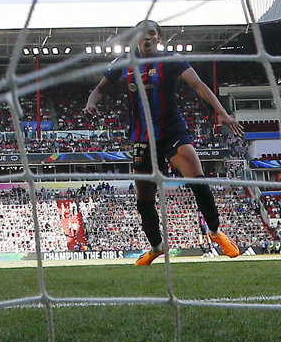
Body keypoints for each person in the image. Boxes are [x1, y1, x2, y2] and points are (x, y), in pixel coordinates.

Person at [84, 20, 243, 265]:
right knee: (144, 198)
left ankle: (215, 232)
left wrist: (220, 111)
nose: (146, 38)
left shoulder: (171, 59)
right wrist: (91, 102)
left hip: (171, 131)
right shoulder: (125, 63)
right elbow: (99, 89)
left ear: (158, 38)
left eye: (151, 34)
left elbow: (197, 84)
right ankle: (156, 248)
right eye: (141, 34)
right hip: (142, 137)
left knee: (196, 174)